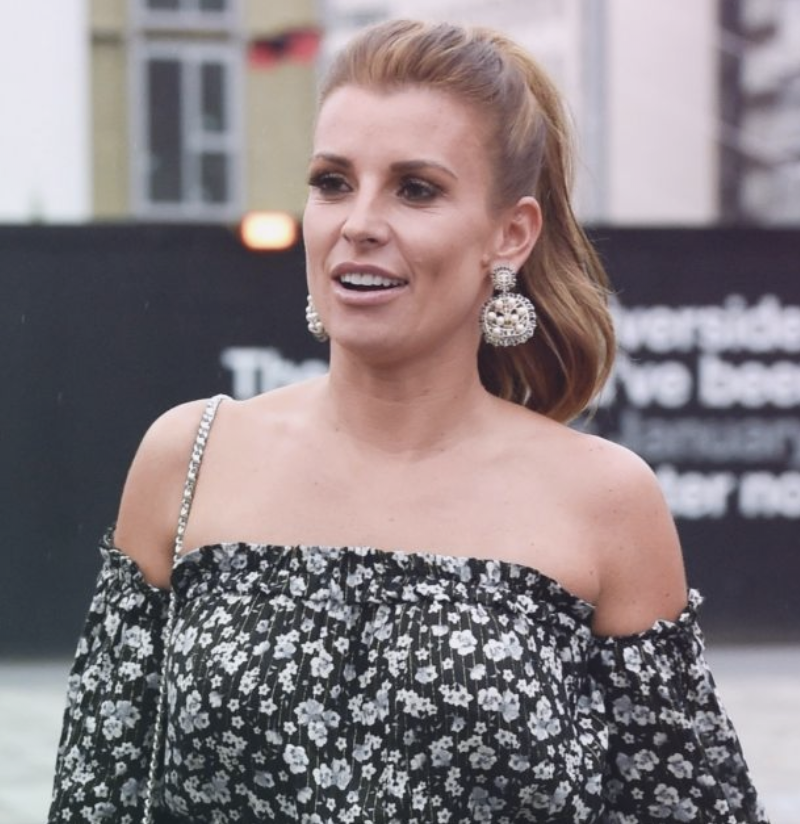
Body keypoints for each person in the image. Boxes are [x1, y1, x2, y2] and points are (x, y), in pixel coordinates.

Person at [50, 18, 768, 824]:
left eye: (415, 188)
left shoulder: (605, 501)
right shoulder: (190, 459)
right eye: (332, 182)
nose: (358, 222)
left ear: (510, 234)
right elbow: (94, 794)